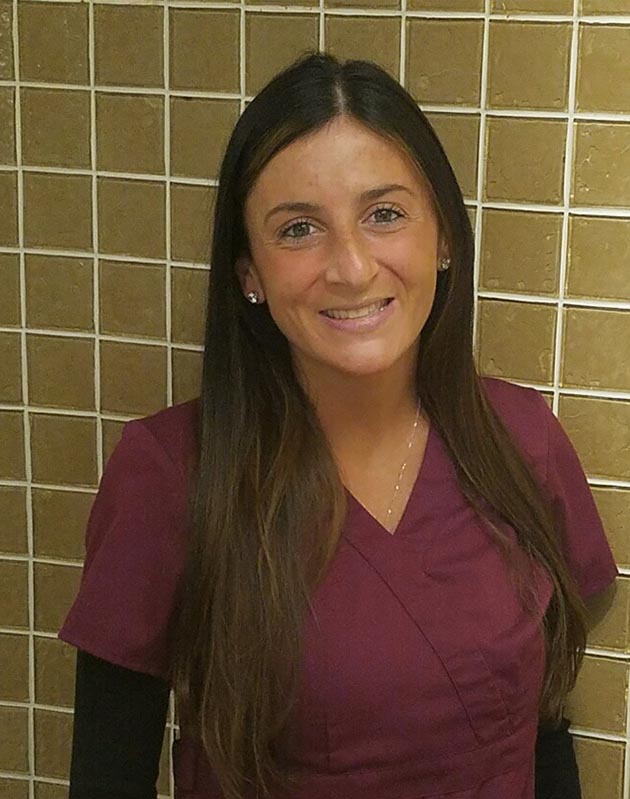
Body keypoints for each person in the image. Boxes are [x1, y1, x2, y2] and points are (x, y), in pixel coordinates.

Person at [59, 51, 618, 799]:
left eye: (384, 213)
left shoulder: (523, 441)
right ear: (248, 272)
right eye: (297, 230)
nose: (351, 267)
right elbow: (107, 779)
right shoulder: (171, 472)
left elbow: (544, 724)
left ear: (444, 237)